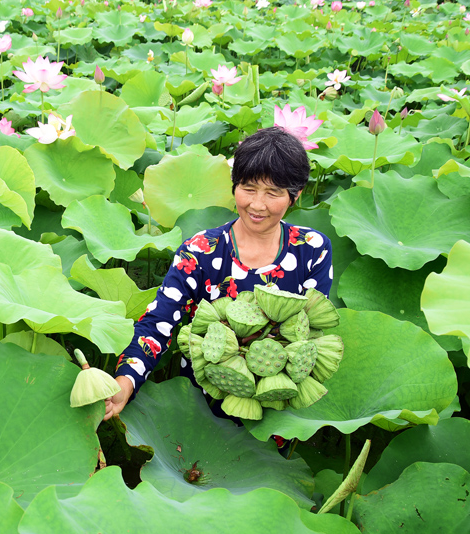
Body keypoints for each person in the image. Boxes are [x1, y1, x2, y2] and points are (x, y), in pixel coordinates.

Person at [105, 127, 333, 421]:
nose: (257, 204)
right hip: (203, 404)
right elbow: (159, 322)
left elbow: (310, 333)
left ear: (295, 195)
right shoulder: (200, 250)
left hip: (277, 404)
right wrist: (125, 382)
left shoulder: (312, 249)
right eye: (248, 188)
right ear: (234, 184)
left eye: (273, 193)